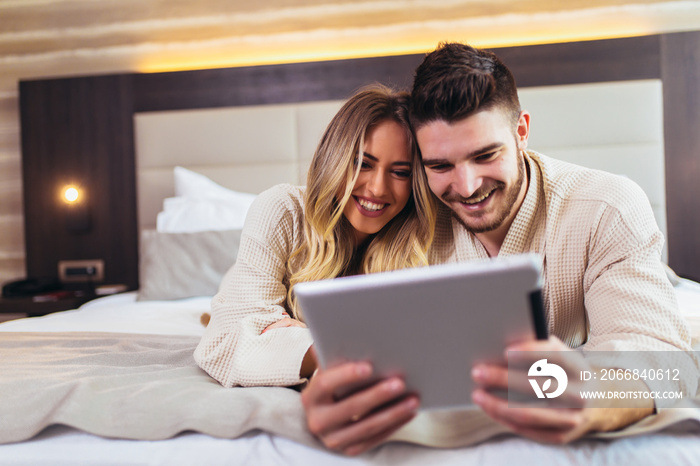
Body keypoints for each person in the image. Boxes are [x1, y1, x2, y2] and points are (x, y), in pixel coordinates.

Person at [301, 42, 697, 454]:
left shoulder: (606, 206)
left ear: (522, 131)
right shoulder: (405, 219)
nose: (467, 187)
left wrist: (597, 399)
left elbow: (665, 364)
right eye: (440, 166)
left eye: (485, 155)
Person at [194, 85, 435, 393]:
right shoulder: (282, 210)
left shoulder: (418, 239)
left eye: (400, 172)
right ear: (335, 157)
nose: (377, 188)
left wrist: (282, 335)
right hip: (239, 284)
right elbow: (222, 345)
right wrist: (326, 352)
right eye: (362, 163)